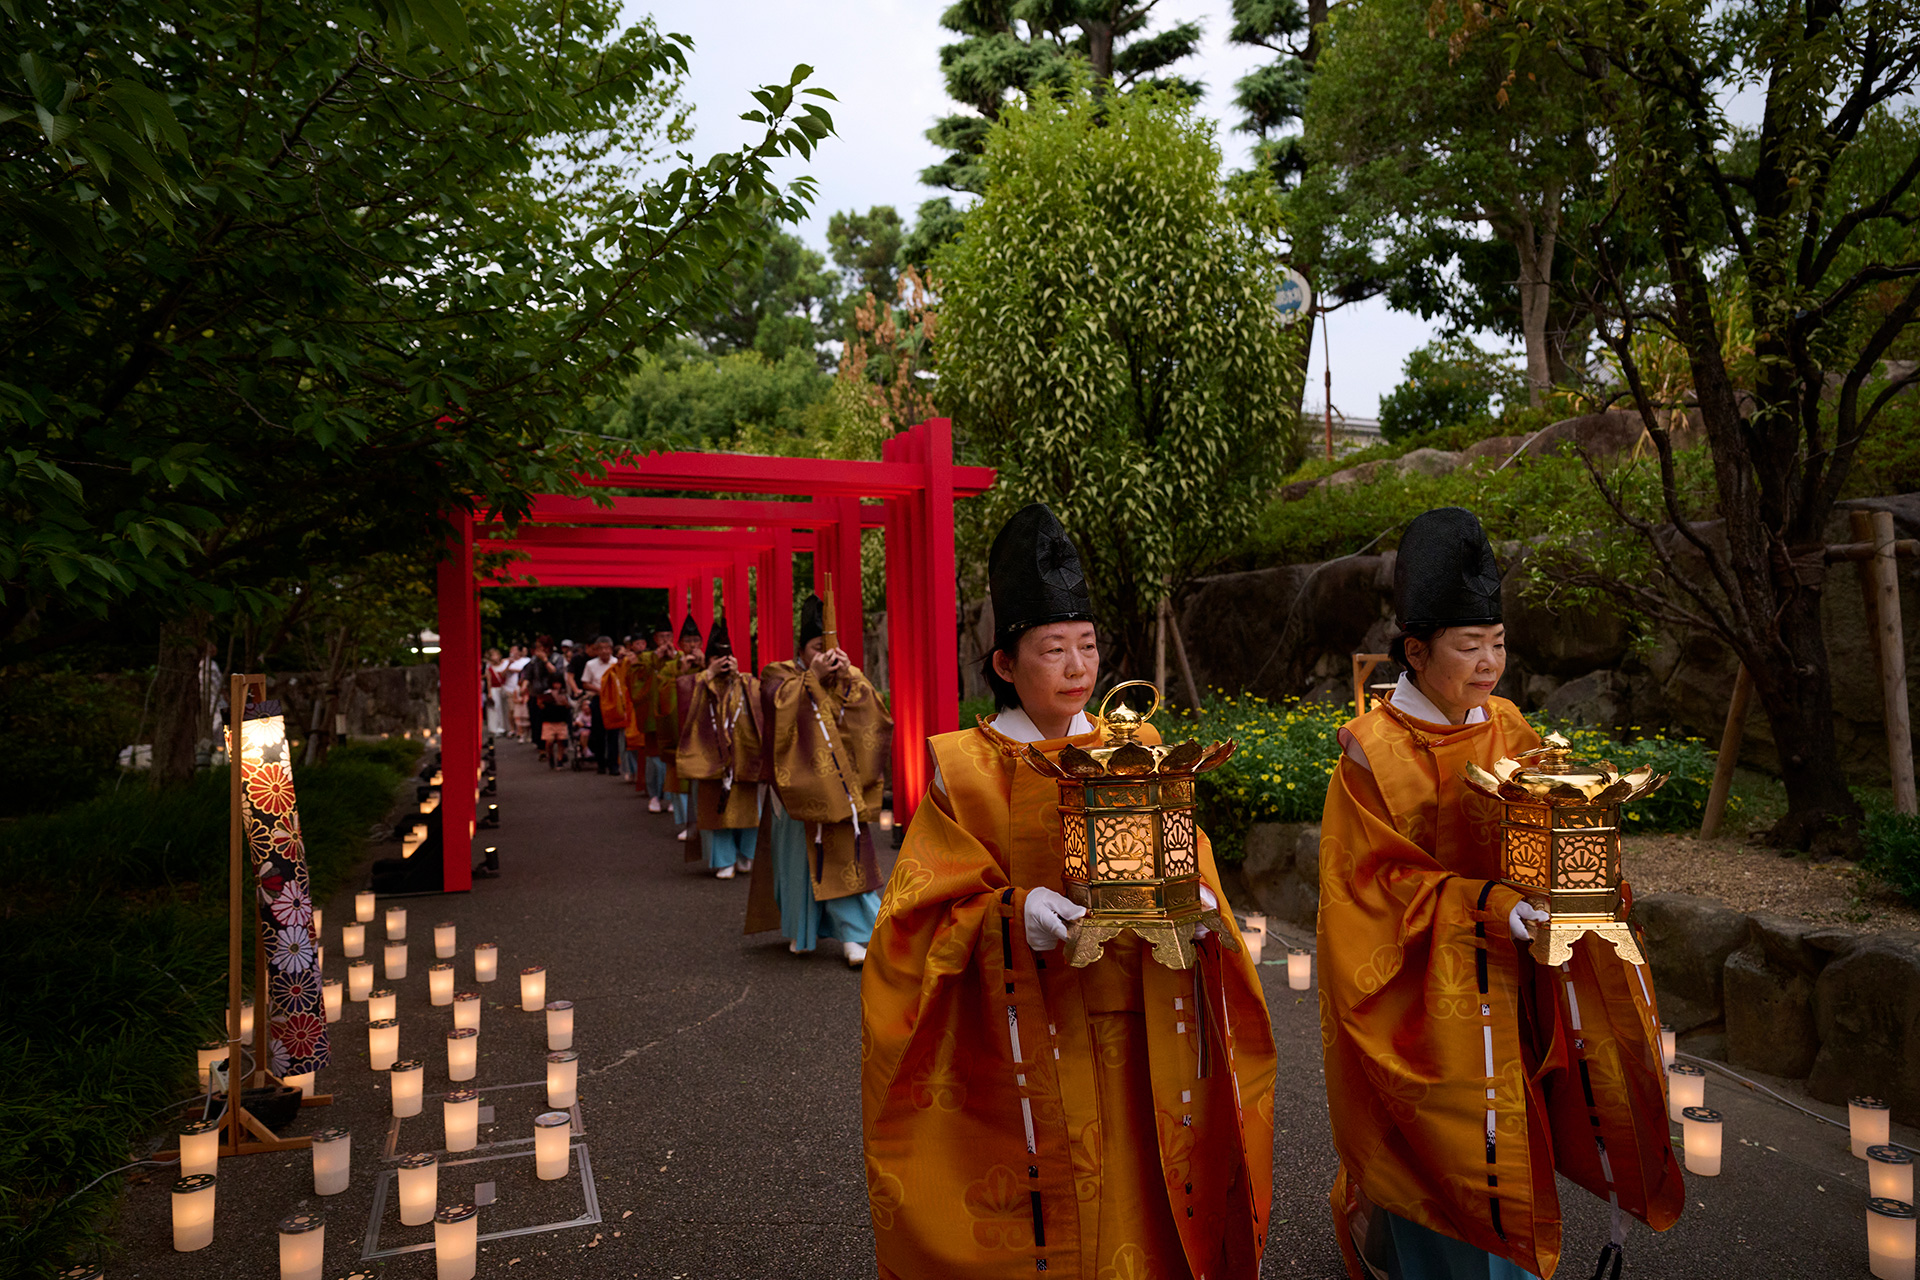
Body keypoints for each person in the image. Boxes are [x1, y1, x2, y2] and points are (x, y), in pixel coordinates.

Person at [860, 503, 1277, 1280]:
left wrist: (1203, 900)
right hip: (1028, 1030)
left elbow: (1187, 849)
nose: (1078, 666)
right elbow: (914, 920)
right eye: (1053, 649)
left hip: (1146, 1024)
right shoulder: (967, 767)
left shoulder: (1138, 745)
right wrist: (1011, 915)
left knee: (1146, 1199)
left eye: (1086, 646)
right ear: (1005, 665)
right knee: (1052, 1212)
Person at [1317, 507, 1681, 1280]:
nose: (1491, 662)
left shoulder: (1507, 725)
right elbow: (1369, 890)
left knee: (1503, 1137)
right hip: (1422, 994)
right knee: (1439, 1143)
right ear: (1416, 652)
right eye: (1469, 645)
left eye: (1499, 643)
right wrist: (1483, 903)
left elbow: (1548, 819)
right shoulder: (1370, 755)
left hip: (1506, 988)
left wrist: (1579, 865)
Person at [746, 595, 891, 968]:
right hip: (795, 783)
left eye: (830, 648)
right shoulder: (778, 674)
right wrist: (812, 678)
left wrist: (845, 678)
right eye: (817, 648)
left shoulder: (847, 674)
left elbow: (871, 716)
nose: (827, 655)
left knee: (842, 856)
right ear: (801, 650)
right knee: (796, 859)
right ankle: (802, 929)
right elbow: (775, 704)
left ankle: (858, 933)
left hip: (837, 786)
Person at [676, 615, 763, 878]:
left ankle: (746, 855)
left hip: (742, 755)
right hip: (710, 756)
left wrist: (738, 675)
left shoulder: (747, 683)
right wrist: (707, 674)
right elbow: (681, 701)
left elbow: (762, 705)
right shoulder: (697, 682)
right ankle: (723, 859)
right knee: (715, 812)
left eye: (727, 657)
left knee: (748, 811)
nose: (723, 663)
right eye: (717, 657)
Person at [504, 644, 531, 741]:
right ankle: (513, 729)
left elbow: (527, 672)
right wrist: (508, 665)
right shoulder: (506, 661)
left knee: (525, 713)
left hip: (524, 688)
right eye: (512, 650)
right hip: (510, 689)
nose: (513, 652)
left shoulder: (527, 661)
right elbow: (502, 674)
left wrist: (515, 670)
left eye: (515, 650)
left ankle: (525, 733)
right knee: (512, 711)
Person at [484, 648, 508, 737]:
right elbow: (489, 681)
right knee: (496, 708)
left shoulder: (504, 664)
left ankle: (504, 726)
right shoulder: (489, 668)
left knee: (504, 708)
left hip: (503, 688)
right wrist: (489, 692)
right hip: (494, 689)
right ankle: (496, 727)